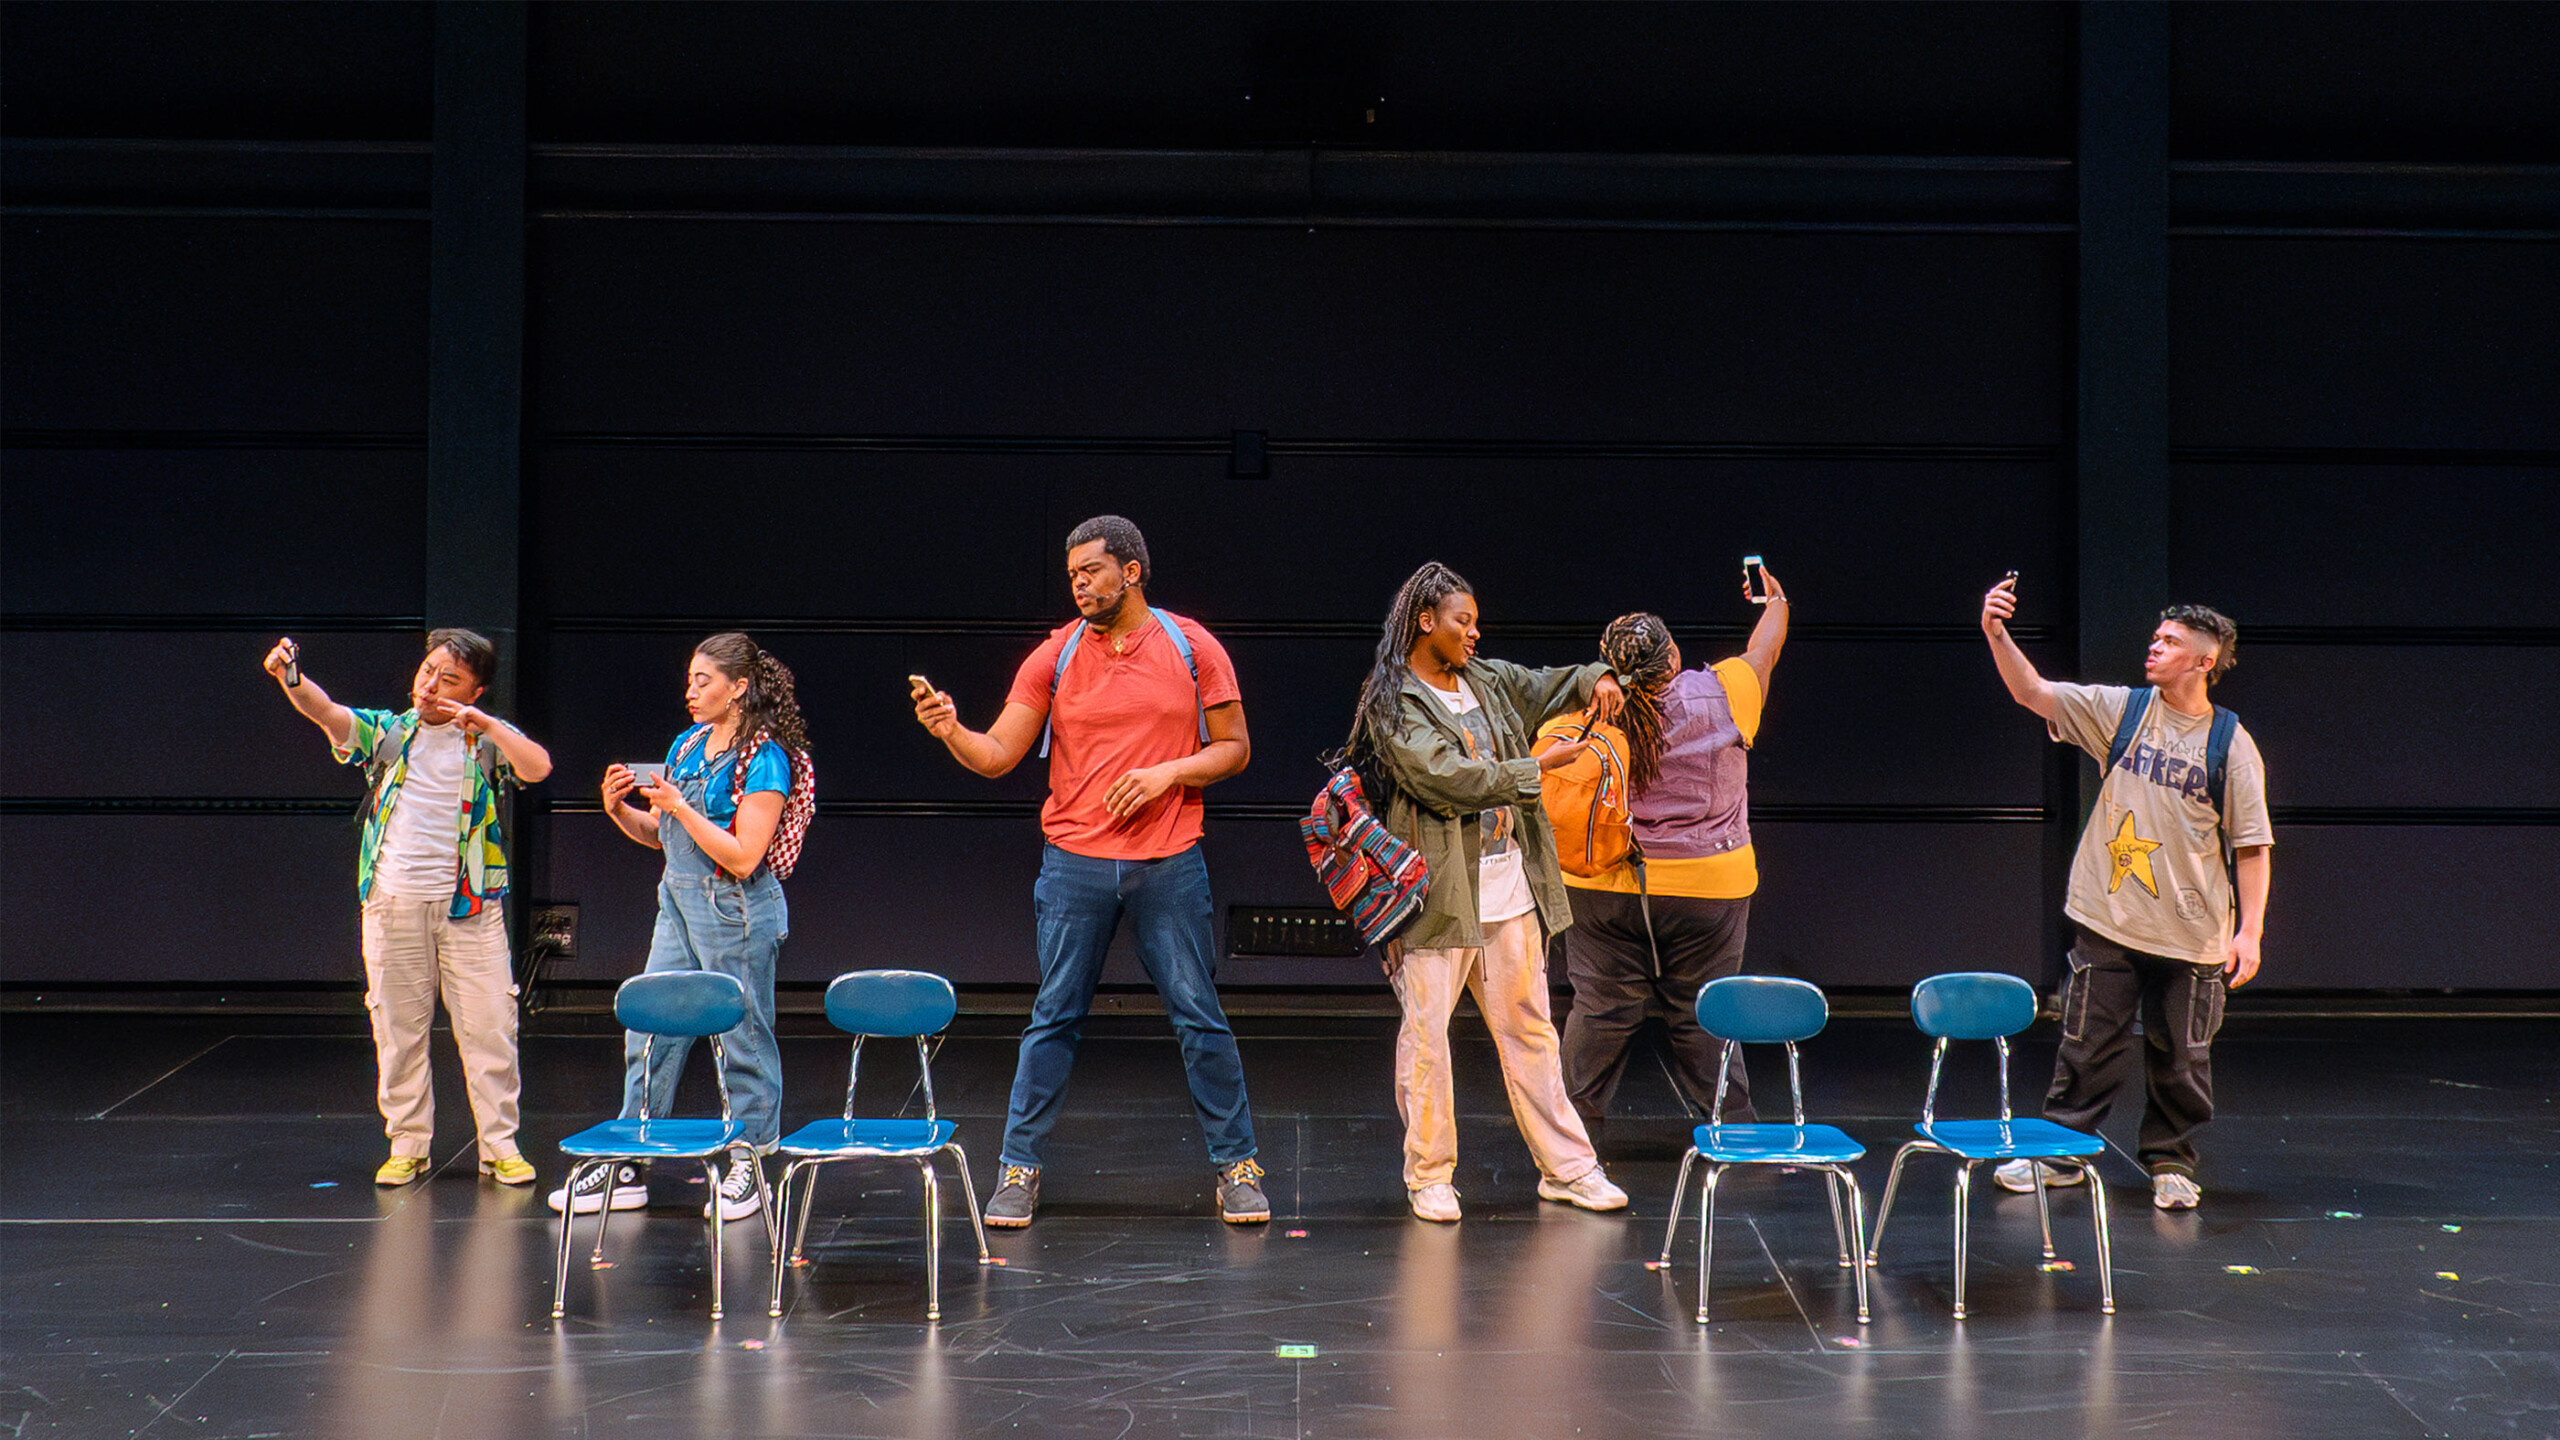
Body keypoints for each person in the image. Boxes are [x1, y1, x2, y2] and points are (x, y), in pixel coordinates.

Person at [912, 515, 1269, 1227]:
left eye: (1091, 570)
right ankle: (1019, 1168)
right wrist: (952, 729)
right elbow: (997, 755)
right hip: (1075, 863)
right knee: (1053, 1017)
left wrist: (1168, 772)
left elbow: (1234, 748)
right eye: (1071, 573)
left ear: (1131, 571)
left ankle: (1238, 1167)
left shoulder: (1191, 645)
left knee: (1200, 1017)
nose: (1077, 583)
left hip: (1168, 861)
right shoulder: (1056, 654)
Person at [1336, 561, 1633, 1223]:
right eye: (1461, 621)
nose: (1474, 632)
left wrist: (1598, 677)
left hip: (1510, 894)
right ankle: (1430, 1175)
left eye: (1474, 621)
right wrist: (1535, 768)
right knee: (1427, 1039)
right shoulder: (1394, 701)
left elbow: (1554, 683)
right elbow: (1443, 778)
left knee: (1531, 1033)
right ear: (1425, 621)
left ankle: (1569, 1169)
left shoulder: (1489, 680)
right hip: (1439, 901)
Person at [1979, 580, 2273, 1210]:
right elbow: (2033, 693)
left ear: (2204, 661)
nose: (2154, 647)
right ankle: (2058, 1153)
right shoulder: (2125, 711)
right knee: (2086, 1045)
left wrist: (2249, 931)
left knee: (2183, 1060)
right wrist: (1997, 632)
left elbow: (2252, 844)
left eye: (2171, 643)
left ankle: (2171, 1162)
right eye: (2156, 637)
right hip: (2109, 916)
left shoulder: (2231, 745)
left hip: (2192, 932)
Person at [262, 629, 553, 1188]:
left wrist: (487, 723)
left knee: (491, 1027)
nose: (431, 686)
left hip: (470, 907)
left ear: (475, 690)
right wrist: (290, 677)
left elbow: (538, 767)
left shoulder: (483, 741)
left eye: (450, 680)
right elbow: (325, 712)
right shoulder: (391, 731)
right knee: (398, 1029)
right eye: (428, 672)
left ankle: (500, 1146)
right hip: (392, 901)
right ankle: (408, 1143)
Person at [548, 633, 808, 1223]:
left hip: (734, 907)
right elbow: (664, 839)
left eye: (703, 681)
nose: (690, 691)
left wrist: (679, 806)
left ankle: (749, 1162)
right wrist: (620, 810)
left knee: (742, 1037)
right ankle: (630, 1165)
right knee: (651, 1027)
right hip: (679, 903)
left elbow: (744, 856)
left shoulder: (763, 755)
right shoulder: (689, 744)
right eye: (690, 679)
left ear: (738, 687)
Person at [1557, 563, 1791, 1139]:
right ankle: (1732, 1129)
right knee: (1702, 1010)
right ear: (1672, 656)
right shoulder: (1726, 692)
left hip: (1606, 890)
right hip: (1709, 888)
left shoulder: (1588, 711)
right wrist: (1775, 601)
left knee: (1600, 1010)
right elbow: (1765, 648)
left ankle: (1566, 1141)